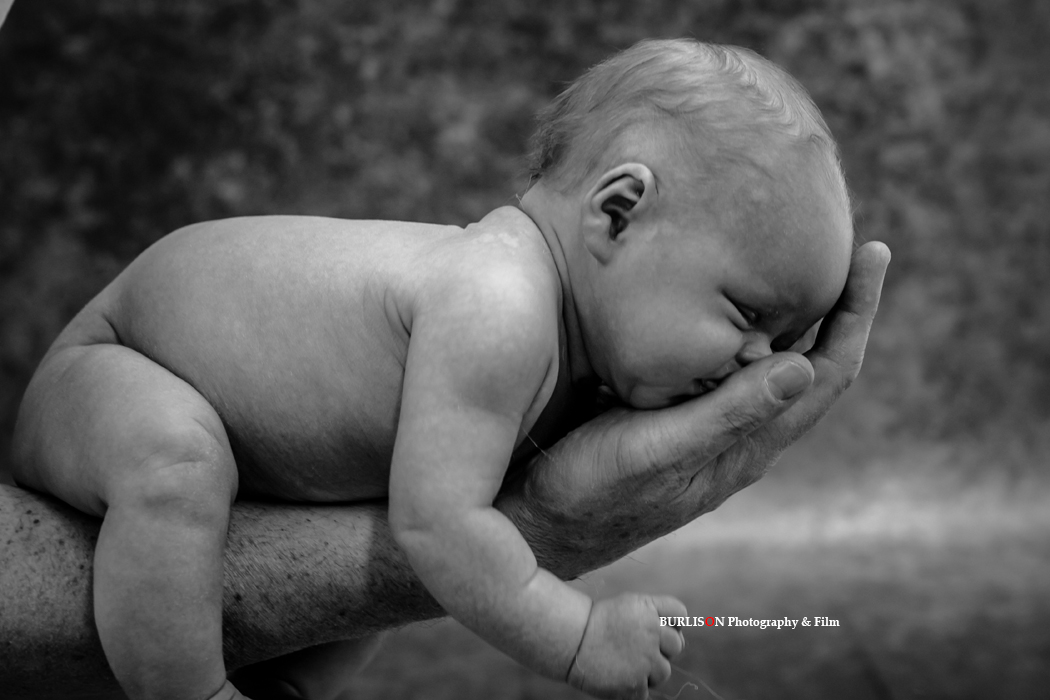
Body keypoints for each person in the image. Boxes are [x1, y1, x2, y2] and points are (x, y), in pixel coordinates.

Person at [8, 38, 885, 700]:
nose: (758, 362)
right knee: (179, 466)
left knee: (369, 554)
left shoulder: (564, 342)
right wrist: (579, 636)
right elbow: (442, 533)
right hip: (117, 367)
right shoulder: (498, 304)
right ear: (618, 215)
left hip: (240, 429)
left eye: (783, 339)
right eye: (746, 316)